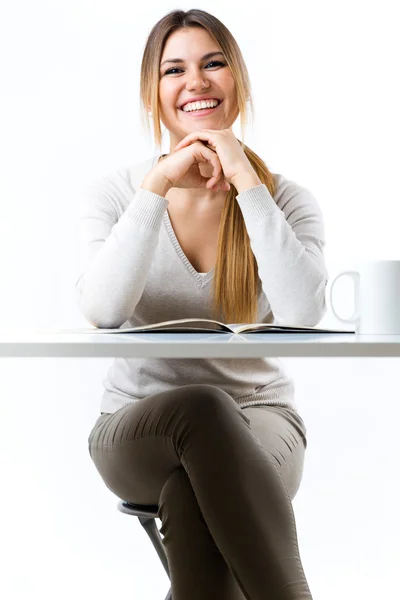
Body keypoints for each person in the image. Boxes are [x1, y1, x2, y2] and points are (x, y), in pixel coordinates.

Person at [78, 8, 328, 600]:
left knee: (195, 497)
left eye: (214, 63)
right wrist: (158, 186)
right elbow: (104, 309)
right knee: (202, 409)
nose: (196, 81)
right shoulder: (118, 193)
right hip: (136, 426)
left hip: (263, 421)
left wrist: (248, 183)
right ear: (153, 90)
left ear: (237, 77)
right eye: (175, 69)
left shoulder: (286, 199)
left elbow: (302, 314)